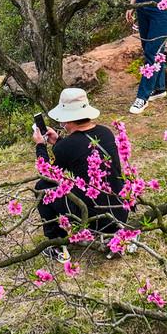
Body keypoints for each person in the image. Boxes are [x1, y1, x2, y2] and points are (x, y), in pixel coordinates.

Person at [33, 88, 129, 263]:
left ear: (67, 119)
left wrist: (40, 145)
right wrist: (59, 142)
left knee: (42, 187)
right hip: (119, 212)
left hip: (94, 220)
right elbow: (81, 151)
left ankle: (57, 243)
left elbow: (46, 172)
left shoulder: (67, 146)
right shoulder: (105, 132)